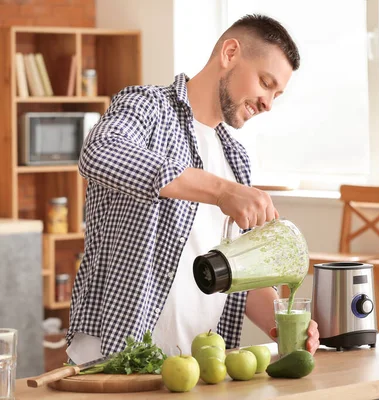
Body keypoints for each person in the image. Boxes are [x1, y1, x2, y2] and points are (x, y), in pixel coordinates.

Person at [66, 14, 319, 363]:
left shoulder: (237, 159)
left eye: (276, 95)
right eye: (265, 82)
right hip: (114, 357)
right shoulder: (146, 106)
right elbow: (100, 153)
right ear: (229, 53)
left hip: (195, 365)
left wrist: (280, 318)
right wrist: (221, 191)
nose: (268, 104)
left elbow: (235, 271)